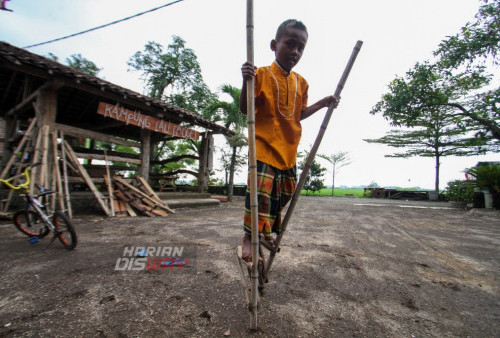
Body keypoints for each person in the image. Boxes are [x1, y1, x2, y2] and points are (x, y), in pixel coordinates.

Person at [240, 19, 339, 261]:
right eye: (290, 44)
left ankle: (266, 233)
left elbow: (298, 114)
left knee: (282, 195)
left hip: (288, 150)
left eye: (300, 47)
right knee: (260, 195)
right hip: (263, 147)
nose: (295, 51)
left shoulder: (301, 83)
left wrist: (323, 103)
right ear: (274, 45)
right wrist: (245, 80)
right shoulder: (260, 74)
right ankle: (247, 238)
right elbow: (245, 109)